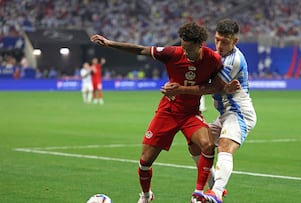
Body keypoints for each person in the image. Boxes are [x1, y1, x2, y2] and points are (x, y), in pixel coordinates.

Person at [91, 22, 234, 203]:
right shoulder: (172, 53)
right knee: (145, 161)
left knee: (207, 144)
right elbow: (140, 50)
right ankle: (146, 195)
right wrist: (110, 43)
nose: (184, 51)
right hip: (168, 111)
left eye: (188, 48)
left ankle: (198, 194)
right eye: (182, 47)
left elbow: (215, 86)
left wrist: (186, 89)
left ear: (200, 45)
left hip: (190, 114)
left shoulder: (213, 59)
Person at [162, 19, 257, 203]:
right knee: (195, 143)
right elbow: (201, 80)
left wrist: (179, 89)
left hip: (239, 113)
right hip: (224, 115)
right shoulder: (214, 56)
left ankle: (217, 193)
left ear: (235, 41)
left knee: (225, 145)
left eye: (225, 42)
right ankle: (213, 185)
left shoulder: (234, 60)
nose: (220, 45)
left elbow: (211, 87)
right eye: (217, 40)